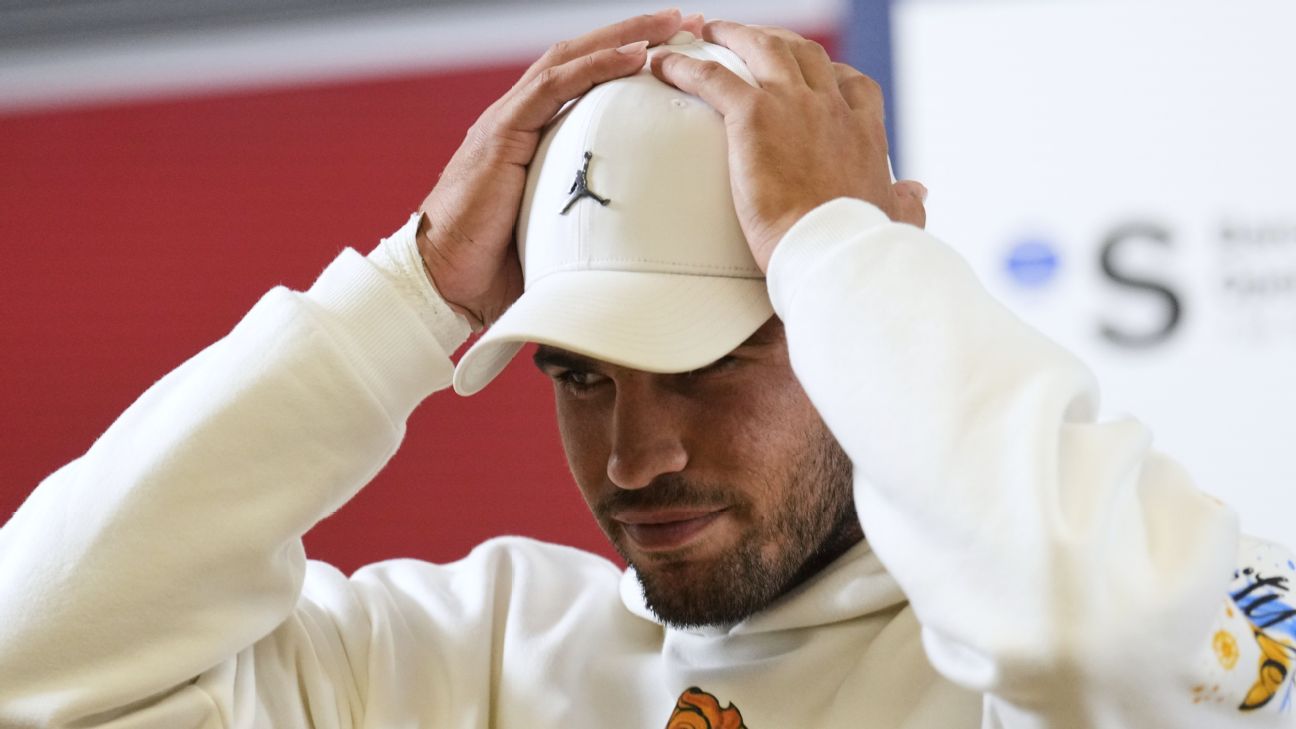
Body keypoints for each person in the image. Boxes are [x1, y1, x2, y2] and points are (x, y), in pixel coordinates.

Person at [0, 9, 1292, 729]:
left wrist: (844, 251)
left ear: (862, 320)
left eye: (713, 361)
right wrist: (405, 293)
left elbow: (1089, 642)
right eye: (581, 376)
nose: (635, 457)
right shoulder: (471, 656)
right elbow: (31, 661)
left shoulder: (1166, 599)